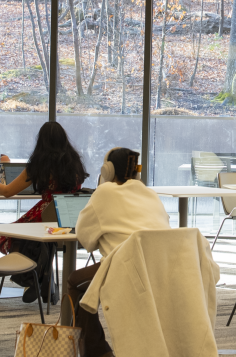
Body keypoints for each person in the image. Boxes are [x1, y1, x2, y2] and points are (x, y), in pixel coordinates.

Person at [69, 147, 170, 357]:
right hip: (162, 269)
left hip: (125, 268)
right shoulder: (150, 194)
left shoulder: (104, 192)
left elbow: (84, 237)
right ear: (137, 171)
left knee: (75, 283)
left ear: (107, 171)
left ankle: (97, 352)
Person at [0, 121, 87, 300]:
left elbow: (6, 192)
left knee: (12, 234)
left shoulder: (39, 165)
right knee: (37, 240)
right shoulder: (75, 163)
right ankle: (42, 277)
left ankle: (33, 277)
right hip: (73, 217)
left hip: (46, 214)